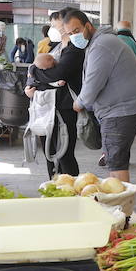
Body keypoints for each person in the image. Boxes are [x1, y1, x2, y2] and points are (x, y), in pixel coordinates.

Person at [64, 8, 136, 183]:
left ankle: (122, 207)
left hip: (122, 111)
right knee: (115, 159)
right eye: (70, 33)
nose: (74, 36)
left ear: (88, 26)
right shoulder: (100, 42)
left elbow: (92, 85)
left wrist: (79, 103)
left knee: (116, 164)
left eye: (77, 31)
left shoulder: (101, 45)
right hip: (125, 108)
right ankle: (121, 204)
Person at [27, 26, 83, 178]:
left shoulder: (74, 50)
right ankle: (54, 181)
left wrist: (35, 74)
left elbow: (58, 74)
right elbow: (37, 70)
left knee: (65, 151)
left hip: (65, 108)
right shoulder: (55, 47)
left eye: (58, 24)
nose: (56, 28)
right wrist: (33, 77)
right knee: (49, 149)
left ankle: (70, 184)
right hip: (46, 109)